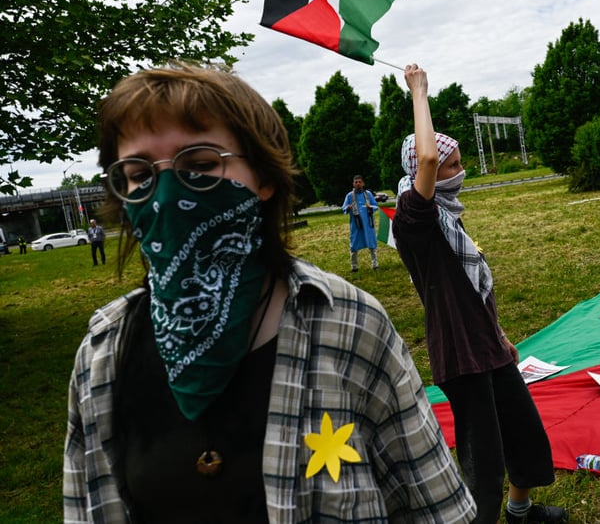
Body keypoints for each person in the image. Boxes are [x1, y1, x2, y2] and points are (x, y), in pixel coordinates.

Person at [63, 63, 476, 523]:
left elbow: (436, 509)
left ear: (263, 178)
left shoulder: (351, 325)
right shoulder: (102, 354)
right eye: (139, 174)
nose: (165, 195)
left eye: (200, 164)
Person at [392, 64, 567, 524]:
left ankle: (521, 510)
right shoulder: (414, 217)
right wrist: (419, 92)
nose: (459, 169)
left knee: (523, 432)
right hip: (460, 353)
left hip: (486, 344)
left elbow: (473, 290)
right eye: (453, 164)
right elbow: (426, 160)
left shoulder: (449, 218)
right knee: (483, 459)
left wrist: (500, 333)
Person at [342, 175, 379, 272]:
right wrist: (348, 208)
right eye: (356, 182)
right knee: (354, 244)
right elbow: (344, 208)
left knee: (372, 242)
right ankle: (354, 266)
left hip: (368, 223)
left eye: (359, 182)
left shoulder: (368, 194)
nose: (358, 184)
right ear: (353, 184)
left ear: (363, 183)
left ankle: (375, 264)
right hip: (356, 224)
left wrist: (370, 207)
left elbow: (375, 206)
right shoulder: (350, 196)